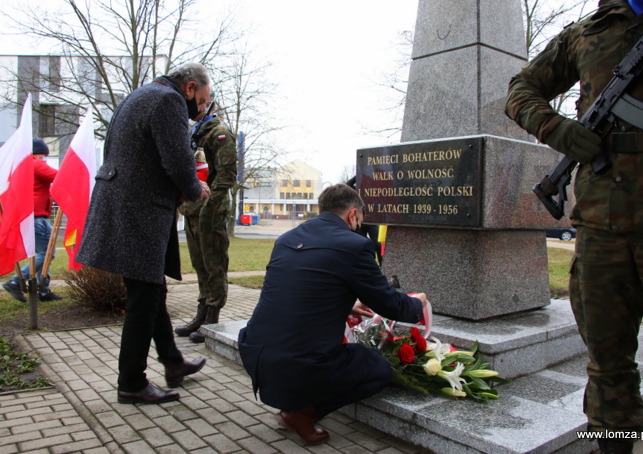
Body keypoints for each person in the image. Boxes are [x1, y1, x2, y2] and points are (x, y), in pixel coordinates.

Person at [505, 1, 643, 453]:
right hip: (601, 223)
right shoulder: (583, 33)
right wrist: (554, 127)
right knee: (607, 365)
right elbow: (521, 89)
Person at [238, 183, 427, 445]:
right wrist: (417, 302)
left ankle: (294, 404)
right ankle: (302, 413)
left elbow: (293, 288)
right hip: (299, 366)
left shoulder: (286, 238)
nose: (359, 227)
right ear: (352, 215)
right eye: (360, 221)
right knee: (378, 369)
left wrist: (347, 304)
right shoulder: (356, 246)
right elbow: (392, 306)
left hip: (255, 353)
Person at [77, 63, 213, 405]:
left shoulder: (140, 94)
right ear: (190, 88)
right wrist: (195, 187)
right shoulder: (167, 101)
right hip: (139, 212)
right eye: (203, 100)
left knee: (151, 292)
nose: (201, 109)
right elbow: (177, 161)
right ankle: (132, 383)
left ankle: (172, 361)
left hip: (125, 207)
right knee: (144, 300)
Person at [175, 104, 237, 344]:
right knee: (199, 265)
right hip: (191, 209)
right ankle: (201, 313)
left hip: (209, 212)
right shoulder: (193, 134)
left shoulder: (219, 133)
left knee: (215, 265)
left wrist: (210, 207)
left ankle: (213, 317)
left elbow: (227, 175)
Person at [2, 138, 62, 302]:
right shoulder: (36, 164)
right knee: (47, 253)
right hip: (36, 216)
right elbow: (60, 177)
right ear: (39, 153)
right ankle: (15, 282)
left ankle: (44, 290)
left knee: (46, 253)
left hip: (30, 215)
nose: (45, 159)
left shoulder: (23, 166)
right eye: (45, 156)